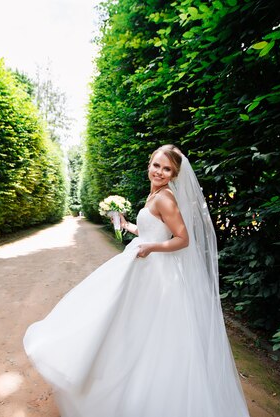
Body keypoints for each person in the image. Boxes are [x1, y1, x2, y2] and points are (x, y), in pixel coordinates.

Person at [23, 144, 250, 417]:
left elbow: (182, 239)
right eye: (157, 165)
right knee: (122, 323)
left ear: (174, 174)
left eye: (167, 169)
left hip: (157, 272)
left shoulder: (166, 198)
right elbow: (149, 231)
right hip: (143, 262)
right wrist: (124, 223)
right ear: (149, 164)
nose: (160, 171)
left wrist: (151, 248)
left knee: (142, 328)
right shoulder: (155, 194)